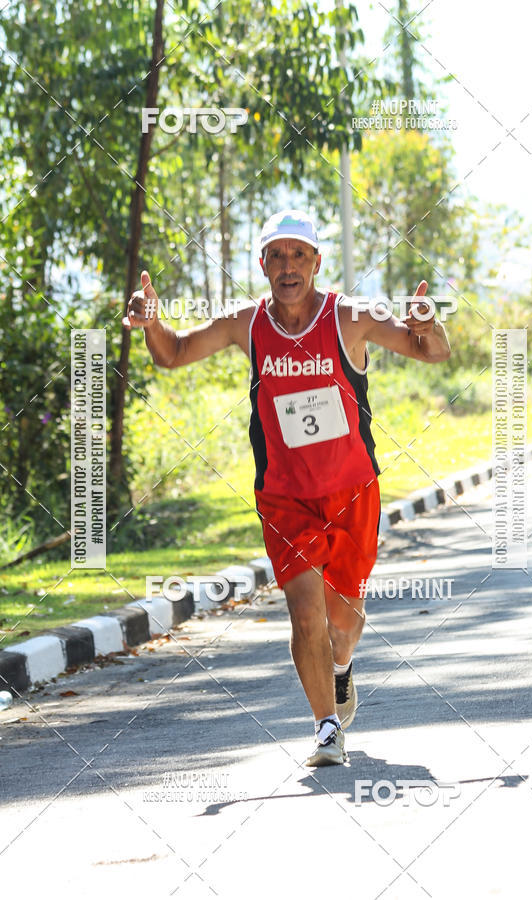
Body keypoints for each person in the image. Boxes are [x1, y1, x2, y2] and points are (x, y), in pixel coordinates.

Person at [124, 209, 450, 766]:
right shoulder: (245, 323)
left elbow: (433, 351)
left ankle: (341, 667)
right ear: (262, 265)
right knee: (305, 613)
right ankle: (325, 728)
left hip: (351, 492)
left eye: (299, 254)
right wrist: (152, 321)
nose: (288, 265)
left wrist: (427, 323)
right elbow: (172, 354)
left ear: (317, 263)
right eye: (277, 255)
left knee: (342, 624)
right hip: (284, 496)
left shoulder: (350, 316)